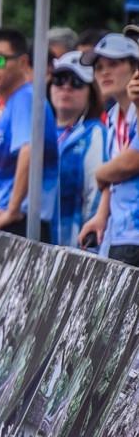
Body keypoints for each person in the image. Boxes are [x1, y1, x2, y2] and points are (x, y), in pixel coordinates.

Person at [0, 27, 59, 242]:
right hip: (10, 218)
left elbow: (29, 150)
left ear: (22, 63)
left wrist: (12, 209)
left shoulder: (25, 97)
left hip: (19, 222)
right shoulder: (15, 102)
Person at [79, 33, 139, 266]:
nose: (104, 72)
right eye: (99, 67)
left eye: (113, 64)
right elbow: (115, 178)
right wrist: (101, 216)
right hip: (119, 233)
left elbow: (130, 162)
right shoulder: (113, 117)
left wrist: (101, 172)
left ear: (135, 67)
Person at [48, 52, 105, 248]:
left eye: (77, 82)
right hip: (38, 241)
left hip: (76, 248)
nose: (66, 87)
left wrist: (88, 245)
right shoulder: (38, 130)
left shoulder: (95, 133)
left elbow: (96, 194)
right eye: (59, 79)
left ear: (91, 91)